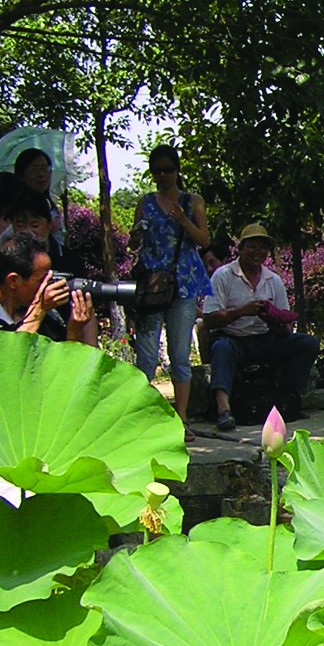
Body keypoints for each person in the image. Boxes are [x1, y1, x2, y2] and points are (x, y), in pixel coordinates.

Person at [201, 223, 319, 432]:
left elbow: (285, 328)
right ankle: (223, 409)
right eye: (252, 247)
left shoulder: (273, 280)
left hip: (265, 338)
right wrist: (241, 311)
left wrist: (273, 318)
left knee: (307, 343)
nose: (257, 253)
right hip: (233, 338)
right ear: (241, 248)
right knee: (221, 349)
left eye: (262, 248)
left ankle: (291, 398)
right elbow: (209, 320)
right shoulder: (223, 275)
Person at [130, 144, 212, 431]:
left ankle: (182, 418)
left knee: (180, 355)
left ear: (177, 170)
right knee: (146, 355)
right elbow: (133, 244)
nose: (163, 176)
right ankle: (140, 419)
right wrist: (136, 234)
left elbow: (204, 240)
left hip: (184, 284)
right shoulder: (146, 201)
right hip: (152, 285)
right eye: (157, 171)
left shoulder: (193, 201)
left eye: (168, 170)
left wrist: (183, 221)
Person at [0, 232, 93, 348]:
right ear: (13, 281)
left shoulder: (48, 314)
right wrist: (38, 312)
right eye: (41, 280)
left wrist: (74, 331)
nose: (48, 285)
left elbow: (65, 370)